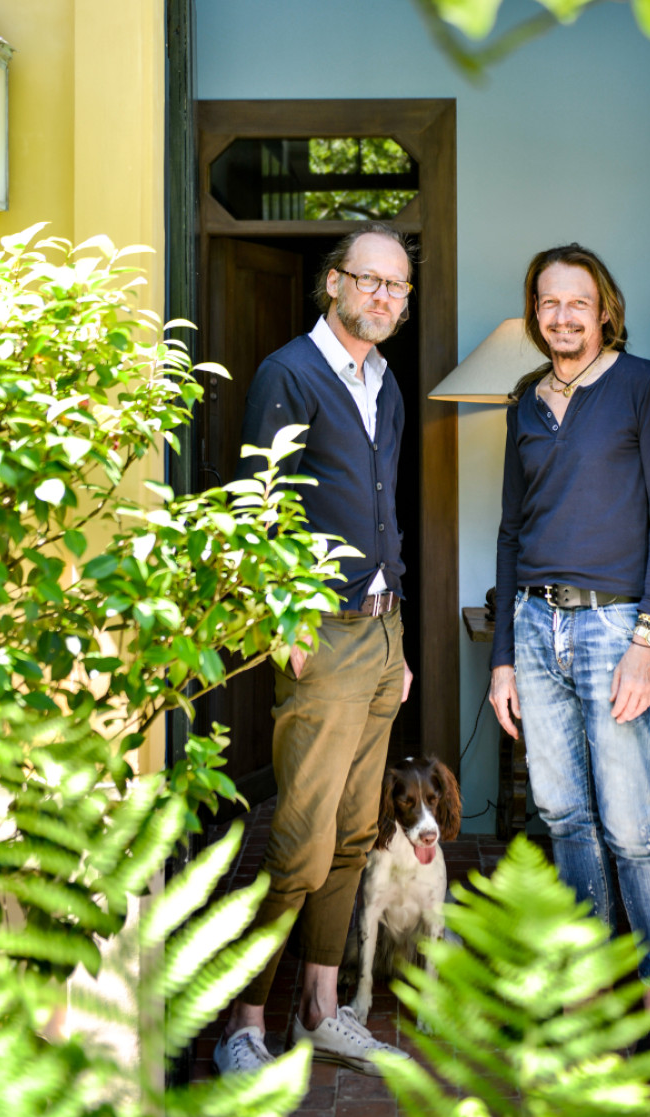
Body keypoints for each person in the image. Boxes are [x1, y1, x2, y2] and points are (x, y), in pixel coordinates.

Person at [214, 224, 415, 1077]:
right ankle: (243, 1021)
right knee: (299, 838)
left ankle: (322, 1009)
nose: (383, 297)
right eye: (369, 281)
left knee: (356, 831)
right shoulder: (289, 373)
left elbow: (383, 506)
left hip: (381, 630)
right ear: (333, 282)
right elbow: (256, 501)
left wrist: (396, 630)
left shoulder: (385, 381)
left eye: (397, 287)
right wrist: (282, 618)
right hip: (320, 631)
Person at [488, 243, 650, 1080]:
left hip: (616, 628)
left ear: (604, 309)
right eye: (548, 302)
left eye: (578, 302)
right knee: (564, 817)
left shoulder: (644, 384)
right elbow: (510, 530)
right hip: (535, 624)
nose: (562, 316)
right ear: (535, 312)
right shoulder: (524, 402)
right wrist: (502, 658)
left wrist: (649, 636)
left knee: (631, 827)